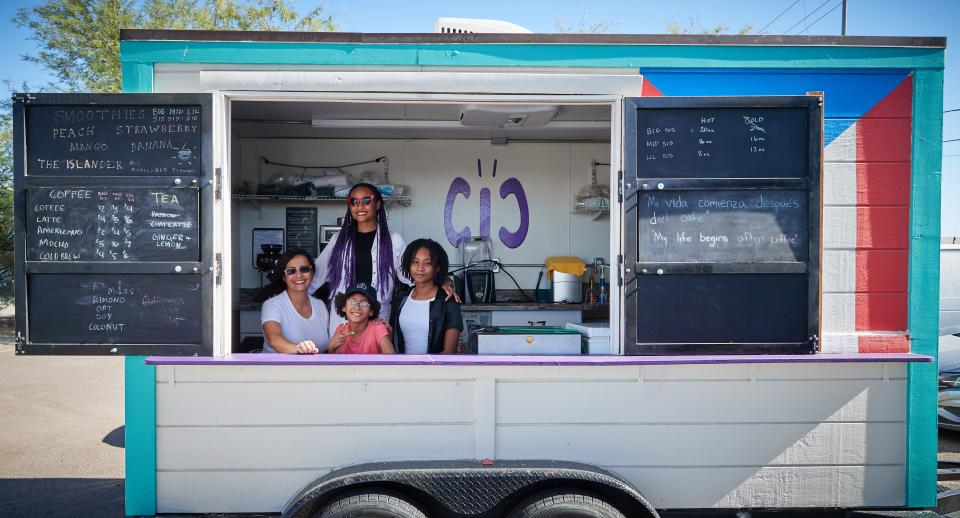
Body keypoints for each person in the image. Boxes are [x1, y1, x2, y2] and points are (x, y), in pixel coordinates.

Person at [309, 182, 408, 337]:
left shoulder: (393, 240)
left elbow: (410, 274)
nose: (359, 206)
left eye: (366, 200)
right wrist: (286, 294)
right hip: (344, 318)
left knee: (376, 359)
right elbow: (317, 273)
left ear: (378, 204)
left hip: (377, 317)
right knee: (343, 360)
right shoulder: (339, 240)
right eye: (354, 201)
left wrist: (440, 282)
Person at [390, 239, 462, 354]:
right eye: (415, 262)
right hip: (402, 369)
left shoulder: (448, 302)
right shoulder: (400, 299)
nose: (420, 268)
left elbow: (449, 352)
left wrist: (424, 370)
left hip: (434, 370)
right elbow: (391, 340)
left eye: (427, 263)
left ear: (437, 268)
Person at [260, 249, 329, 354]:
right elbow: (274, 339)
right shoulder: (272, 305)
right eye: (291, 271)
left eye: (304, 269)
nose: (299, 275)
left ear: (312, 272)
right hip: (277, 369)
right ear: (284, 277)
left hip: (313, 369)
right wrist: (299, 349)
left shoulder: (320, 306)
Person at [328, 282, 396, 354]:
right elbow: (332, 360)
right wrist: (331, 347)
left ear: (371, 311)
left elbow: (391, 359)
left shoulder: (378, 328)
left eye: (364, 303)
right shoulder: (340, 329)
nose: (357, 307)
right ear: (344, 307)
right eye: (352, 302)